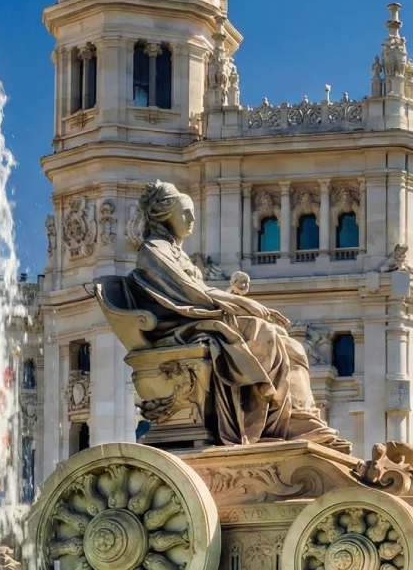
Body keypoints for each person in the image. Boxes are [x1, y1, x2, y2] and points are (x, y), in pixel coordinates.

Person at [101, 181, 345, 450]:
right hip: (179, 329)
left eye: (193, 213)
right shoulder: (153, 250)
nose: (192, 219)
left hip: (197, 320)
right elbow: (191, 294)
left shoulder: (174, 252)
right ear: (164, 215)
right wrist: (243, 304)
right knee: (264, 332)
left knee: (292, 346)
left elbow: (196, 294)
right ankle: (277, 422)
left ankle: (298, 418)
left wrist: (234, 301)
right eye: (185, 213)